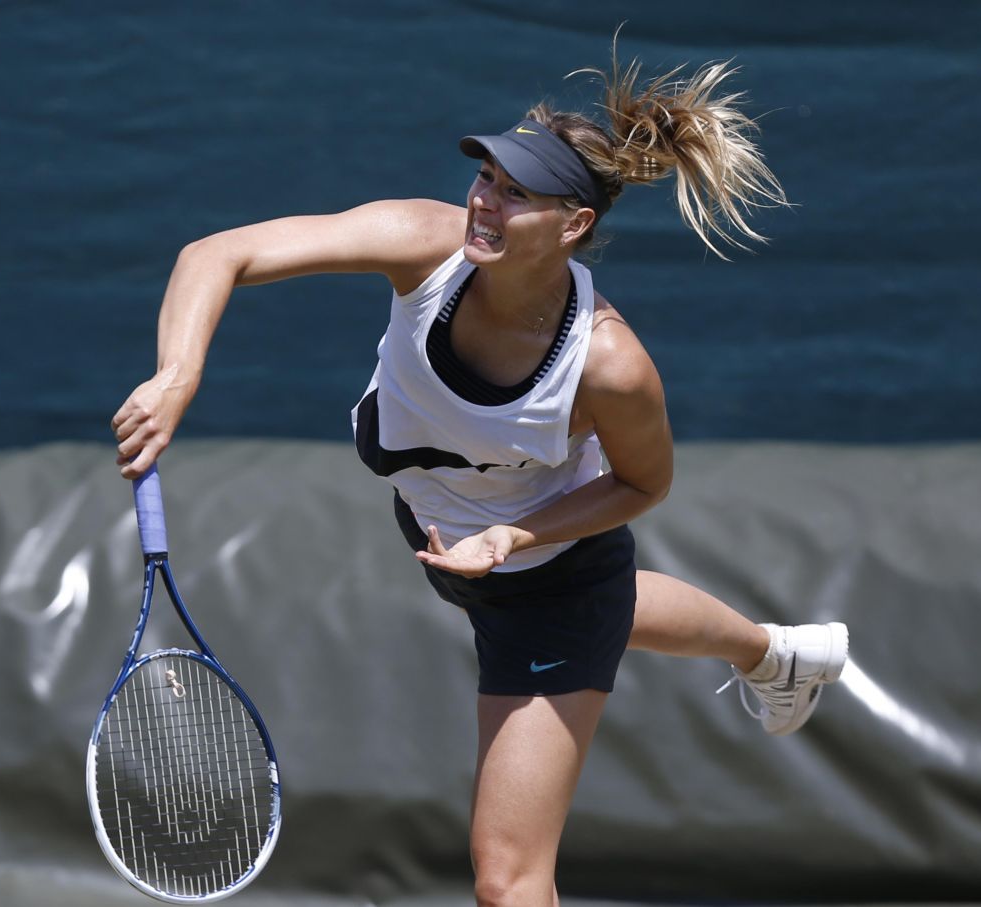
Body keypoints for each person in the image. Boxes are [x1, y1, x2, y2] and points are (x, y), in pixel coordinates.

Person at [109, 48, 849, 907]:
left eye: (515, 192)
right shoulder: (426, 246)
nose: (484, 201)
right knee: (619, 608)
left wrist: (514, 536)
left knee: (508, 880)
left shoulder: (608, 366)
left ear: (572, 225)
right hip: (449, 536)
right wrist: (177, 374)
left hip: (545, 579)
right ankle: (776, 651)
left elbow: (644, 486)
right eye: (487, 177)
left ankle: (769, 652)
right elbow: (216, 252)